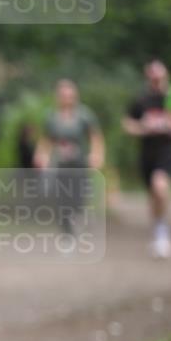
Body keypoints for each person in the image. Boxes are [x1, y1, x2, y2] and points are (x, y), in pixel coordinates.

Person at [34, 79, 104, 233]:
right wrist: (41, 155)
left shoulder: (84, 115)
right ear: (58, 97)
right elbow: (46, 139)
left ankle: (76, 216)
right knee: (61, 196)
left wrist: (96, 154)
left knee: (78, 195)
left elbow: (95, 137)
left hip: (79, 162)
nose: (67, 99)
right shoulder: (51, 116)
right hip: (59, 163)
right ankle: (66, 229)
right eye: (63, 95)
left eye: (69, 95)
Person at [123, 61, 171, 259]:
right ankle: (158, 231)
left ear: (166, 77)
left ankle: (163, 235)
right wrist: (142, 127)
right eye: (152, 78)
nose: (156, 81)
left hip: (167, 150)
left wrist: (170, 125)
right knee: (153, 195)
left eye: (159, 78)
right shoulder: (141, 100)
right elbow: (127, 123)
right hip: (147, 153)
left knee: (160, 187)